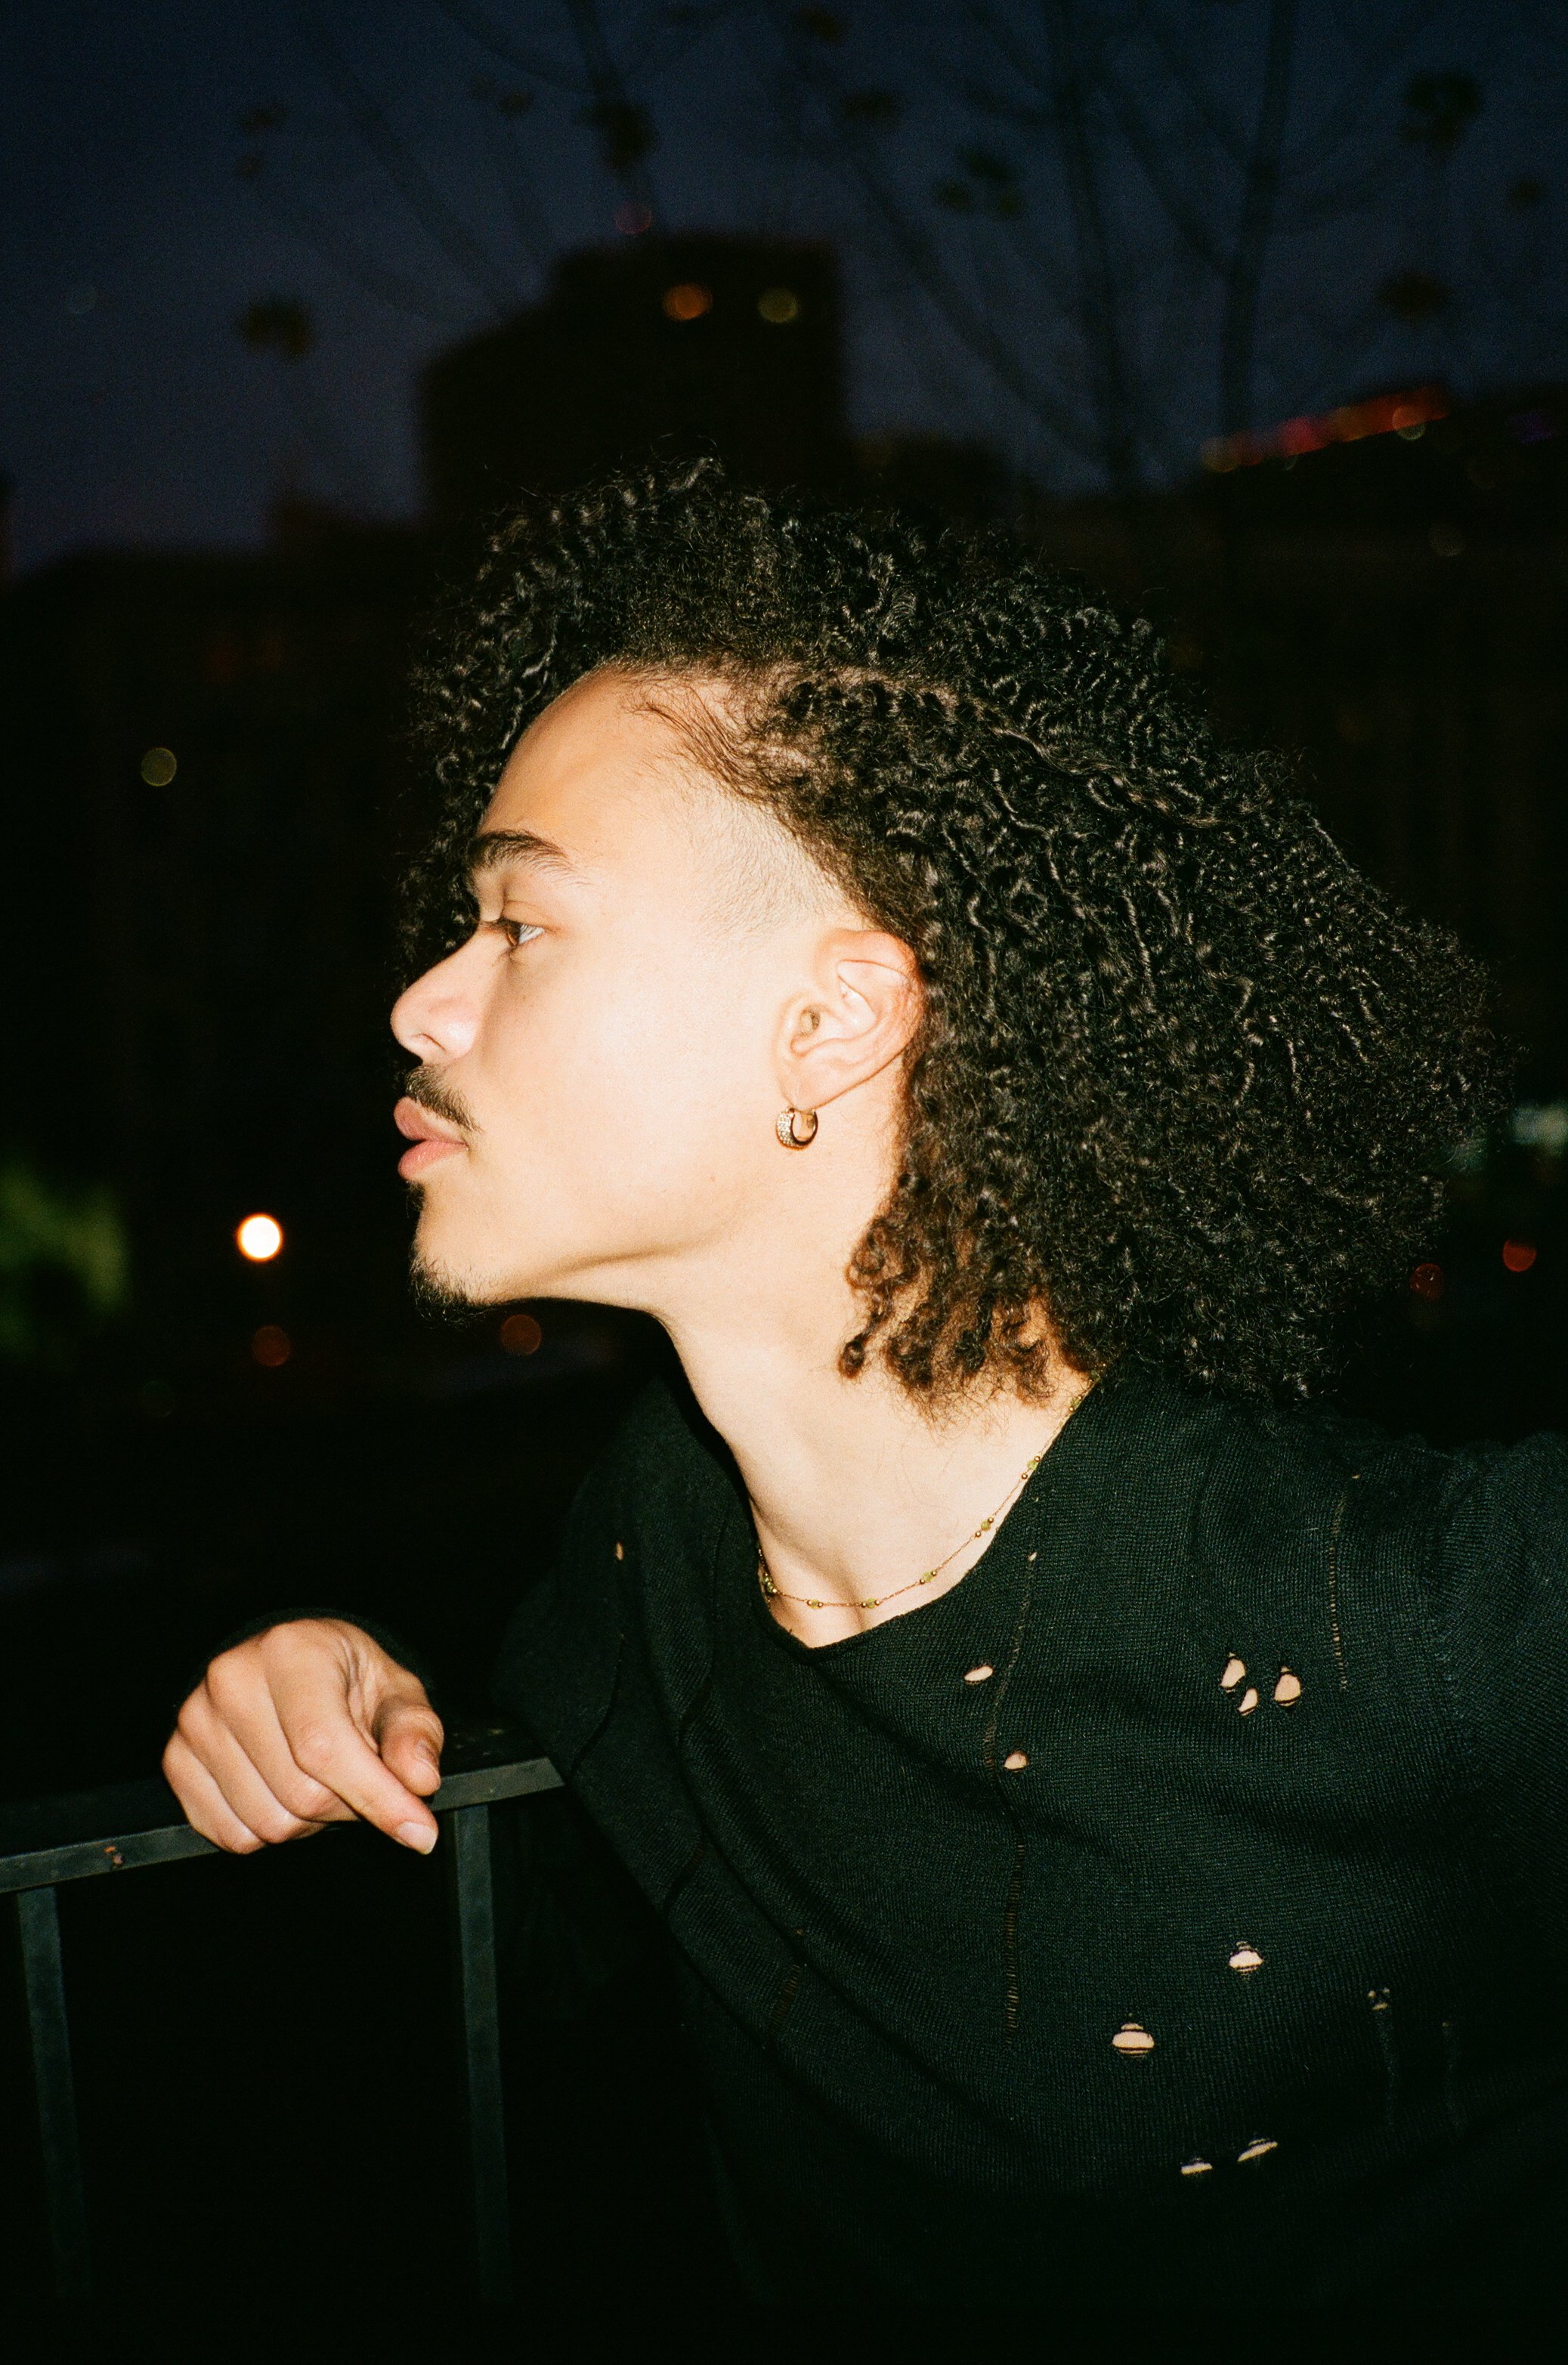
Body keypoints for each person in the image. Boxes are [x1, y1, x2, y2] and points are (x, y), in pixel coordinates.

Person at [163, 461, 1566, 2308]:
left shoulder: (1420, 1610)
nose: (428, 997)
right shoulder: (643, 1562)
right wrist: (336, 1693)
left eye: (519, 923)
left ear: (830, 1021)